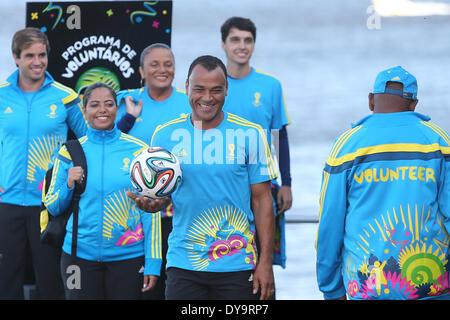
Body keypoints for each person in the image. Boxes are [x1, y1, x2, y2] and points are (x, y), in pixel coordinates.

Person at [127, 55, 277, 300]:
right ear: (186, 87)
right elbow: (164, 195)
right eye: (199, 89)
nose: (207, 98)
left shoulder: (252, 134)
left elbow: (263, 201)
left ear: (227, 90)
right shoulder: (165, 135)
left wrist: (266, 263)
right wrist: (154, 204)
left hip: (237, 263)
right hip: (184, 262)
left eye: (216, 90)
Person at [316, 66, 450, 300]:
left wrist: (331, 288)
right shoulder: (439, 142)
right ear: (414, 104)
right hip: (432, 287)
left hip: (368, 288)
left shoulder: (347, 147)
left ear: (370, 100)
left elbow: (330, 223)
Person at [44, 82, 163, 299]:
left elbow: (151, 211)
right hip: (78, 257)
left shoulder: (139, 151)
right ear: (84, 110)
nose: (102, 110)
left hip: (128, 257)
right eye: (94, 105)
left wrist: (154, 262)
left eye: (108, 104)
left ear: (117, 108)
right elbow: (53, 206)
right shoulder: (69, 151)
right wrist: (69, 184)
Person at [0, 27, 88, 299]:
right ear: (16, 57)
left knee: (50, 282)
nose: (37, 61)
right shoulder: (1, 94)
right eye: (29, 55)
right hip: (7, 203)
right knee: (6, 280)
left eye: (42, 55)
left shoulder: (66, 97)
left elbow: (91, 139)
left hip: (50, 204)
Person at [115, 43, 190, 299]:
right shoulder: (128, 101)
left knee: (179, 289)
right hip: (136, 217)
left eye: (168, 64)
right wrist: (128, 118)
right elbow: (107, 142)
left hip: (179, 216)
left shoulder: (189, 103)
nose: (162, 69)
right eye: (154, 64)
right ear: (141, 70)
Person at [220, 17, 292, 268]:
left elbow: (279, 136)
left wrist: (286, 184)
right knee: (225, 258)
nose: (242, 46)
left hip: (263, 183)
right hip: (224, 184)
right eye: (235, 40)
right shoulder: (213, 86)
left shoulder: (270, 85)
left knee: (263, 259)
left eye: (248, 40)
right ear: (223, 45)